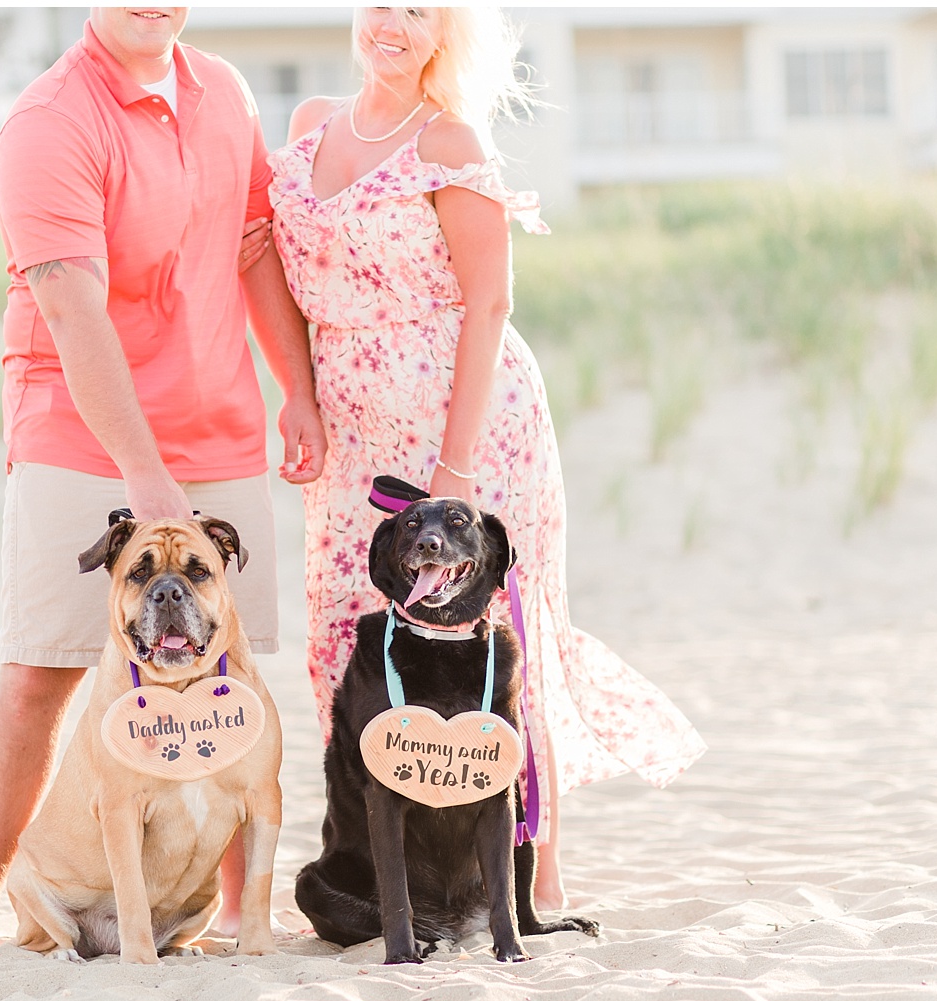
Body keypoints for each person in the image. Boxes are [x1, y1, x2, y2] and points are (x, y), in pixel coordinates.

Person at [264, 7, 706, 909]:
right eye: (382, 2)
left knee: (492, 638)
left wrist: (456, 468)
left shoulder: (447, 138)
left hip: (465, 419)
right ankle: (385, 865)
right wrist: (298, 392)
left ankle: (534, 869)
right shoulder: (309, 125)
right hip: (351, 422)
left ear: (443, 36)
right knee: (345, 631)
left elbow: (489, 303)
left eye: (419, 10)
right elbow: (263, 263)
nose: (392, 22)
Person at [0, 6, 325, 962]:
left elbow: (255, 249)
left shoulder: (222, 90)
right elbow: (69, 307)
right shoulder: (50, 122)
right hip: (79, 431)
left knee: (225, 672)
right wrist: (144, 477)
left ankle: (230, 915)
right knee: (41, 670)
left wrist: (296, 389)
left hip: (217, 422)